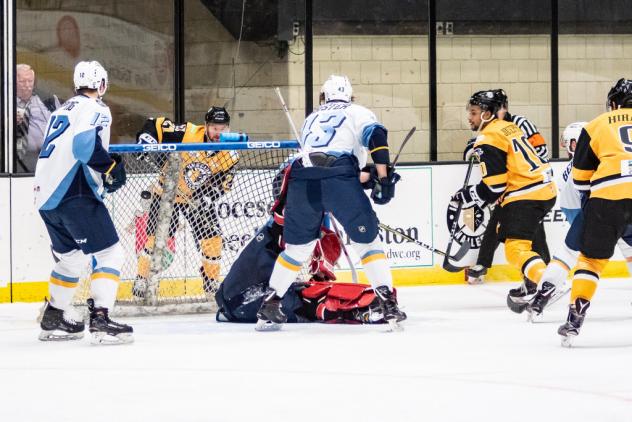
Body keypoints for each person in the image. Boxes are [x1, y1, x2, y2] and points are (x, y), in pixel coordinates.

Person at [254, 74, 406, 331]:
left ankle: (269, 305)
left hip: (303, 181)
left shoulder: (311, 118)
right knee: (368, 243)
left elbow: (323, 161)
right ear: (350, 96)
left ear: (323, 96)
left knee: (297, 250)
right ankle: (387, 303)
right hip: (338, 179)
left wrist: (367, 178)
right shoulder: (357, 111)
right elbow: (375, 138)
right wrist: (383, 176)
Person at [216, 162, 388, 325]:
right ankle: (357, 311)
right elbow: (330, 181)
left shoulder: (291, 215)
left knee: (305, 292)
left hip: (237, 295)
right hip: (243, 300)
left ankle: (362, 307)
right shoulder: (290, 220)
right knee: (311, 299)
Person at [35, 60, 132, 344]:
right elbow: (82, 147)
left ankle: (54, 316)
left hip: (45, 197)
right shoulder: (96, 107)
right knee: (111, 255)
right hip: (73, 193)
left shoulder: (60, 111)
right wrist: (109, 168)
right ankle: (101, 319)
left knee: (71, 259)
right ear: (101, 84)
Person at [452, 90, 557, 313]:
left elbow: (495, 186)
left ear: (487, 114)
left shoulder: (489, 136)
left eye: (473, 112)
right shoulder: (507, 127)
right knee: (515, 236)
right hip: (541, 187)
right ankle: (532, 283)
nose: (469, 117)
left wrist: (471, 195)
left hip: (526, 192)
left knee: (515, 249)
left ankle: (548, 284)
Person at [133, 106, 239, 299]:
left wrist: (208, 196)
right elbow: (156, 124)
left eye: (223, 128)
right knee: (156, 240)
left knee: (213, 241)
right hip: (166, 194)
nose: (219, 132)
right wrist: (146, 140)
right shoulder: (188, 133)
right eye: (215, 127)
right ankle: (142, 278)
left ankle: (211, 282)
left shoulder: (230, 153)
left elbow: (223, 185)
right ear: (206, 126)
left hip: (196, 199)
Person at [558, 78, 632, 345]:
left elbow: (579, 180)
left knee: (590, 261)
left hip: (607, 197)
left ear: (613, 103)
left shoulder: (598, 124)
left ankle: (576, 316)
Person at [15, 63, 61, 172]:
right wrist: (7, 122)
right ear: (14, 82)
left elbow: (63, 125)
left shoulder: (48, 100)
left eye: (30, 81)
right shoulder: (5, 103)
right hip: (16, 163)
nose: (27, 85)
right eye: (22, 81)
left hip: (48, 159)